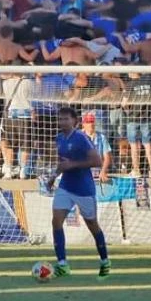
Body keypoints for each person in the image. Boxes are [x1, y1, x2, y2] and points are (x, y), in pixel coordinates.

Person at [47, 106, 110, 278]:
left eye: (66, 119)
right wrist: (53, 176)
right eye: (60, 119)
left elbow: (97, 161)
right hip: (66, 186)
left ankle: (104, 260)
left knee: (92, 225)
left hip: (83, 189)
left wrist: (72, 165)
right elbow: (63, 163)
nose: (63, 122)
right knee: (56, 221)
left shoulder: (81, 138)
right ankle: (62, 264)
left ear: (74, 121)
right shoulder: (59, 139)